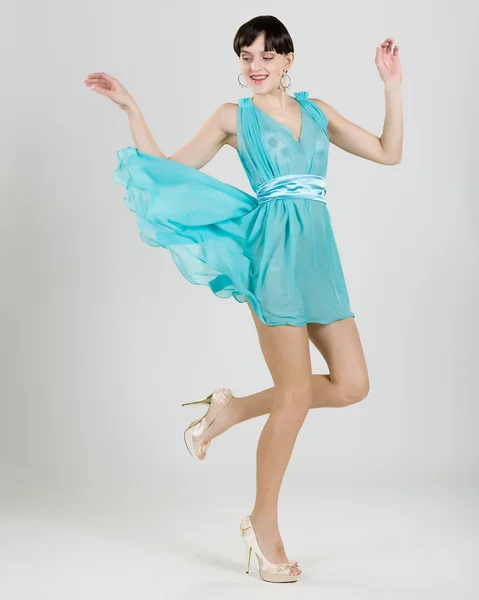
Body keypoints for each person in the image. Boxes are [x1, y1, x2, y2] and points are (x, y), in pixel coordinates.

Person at [85, 14, 403, 584]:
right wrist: (133, 109)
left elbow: (388, 151)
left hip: (319, 259)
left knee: (352, 384)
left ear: (288, 59)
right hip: (273, 259)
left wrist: (391, 85)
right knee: (297, 395)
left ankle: (228, 410)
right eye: (245, 56)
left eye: (265, 56)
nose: (254, 67)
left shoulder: (317, 111)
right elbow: (166, 171)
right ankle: (262, 523)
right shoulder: (233, 118)